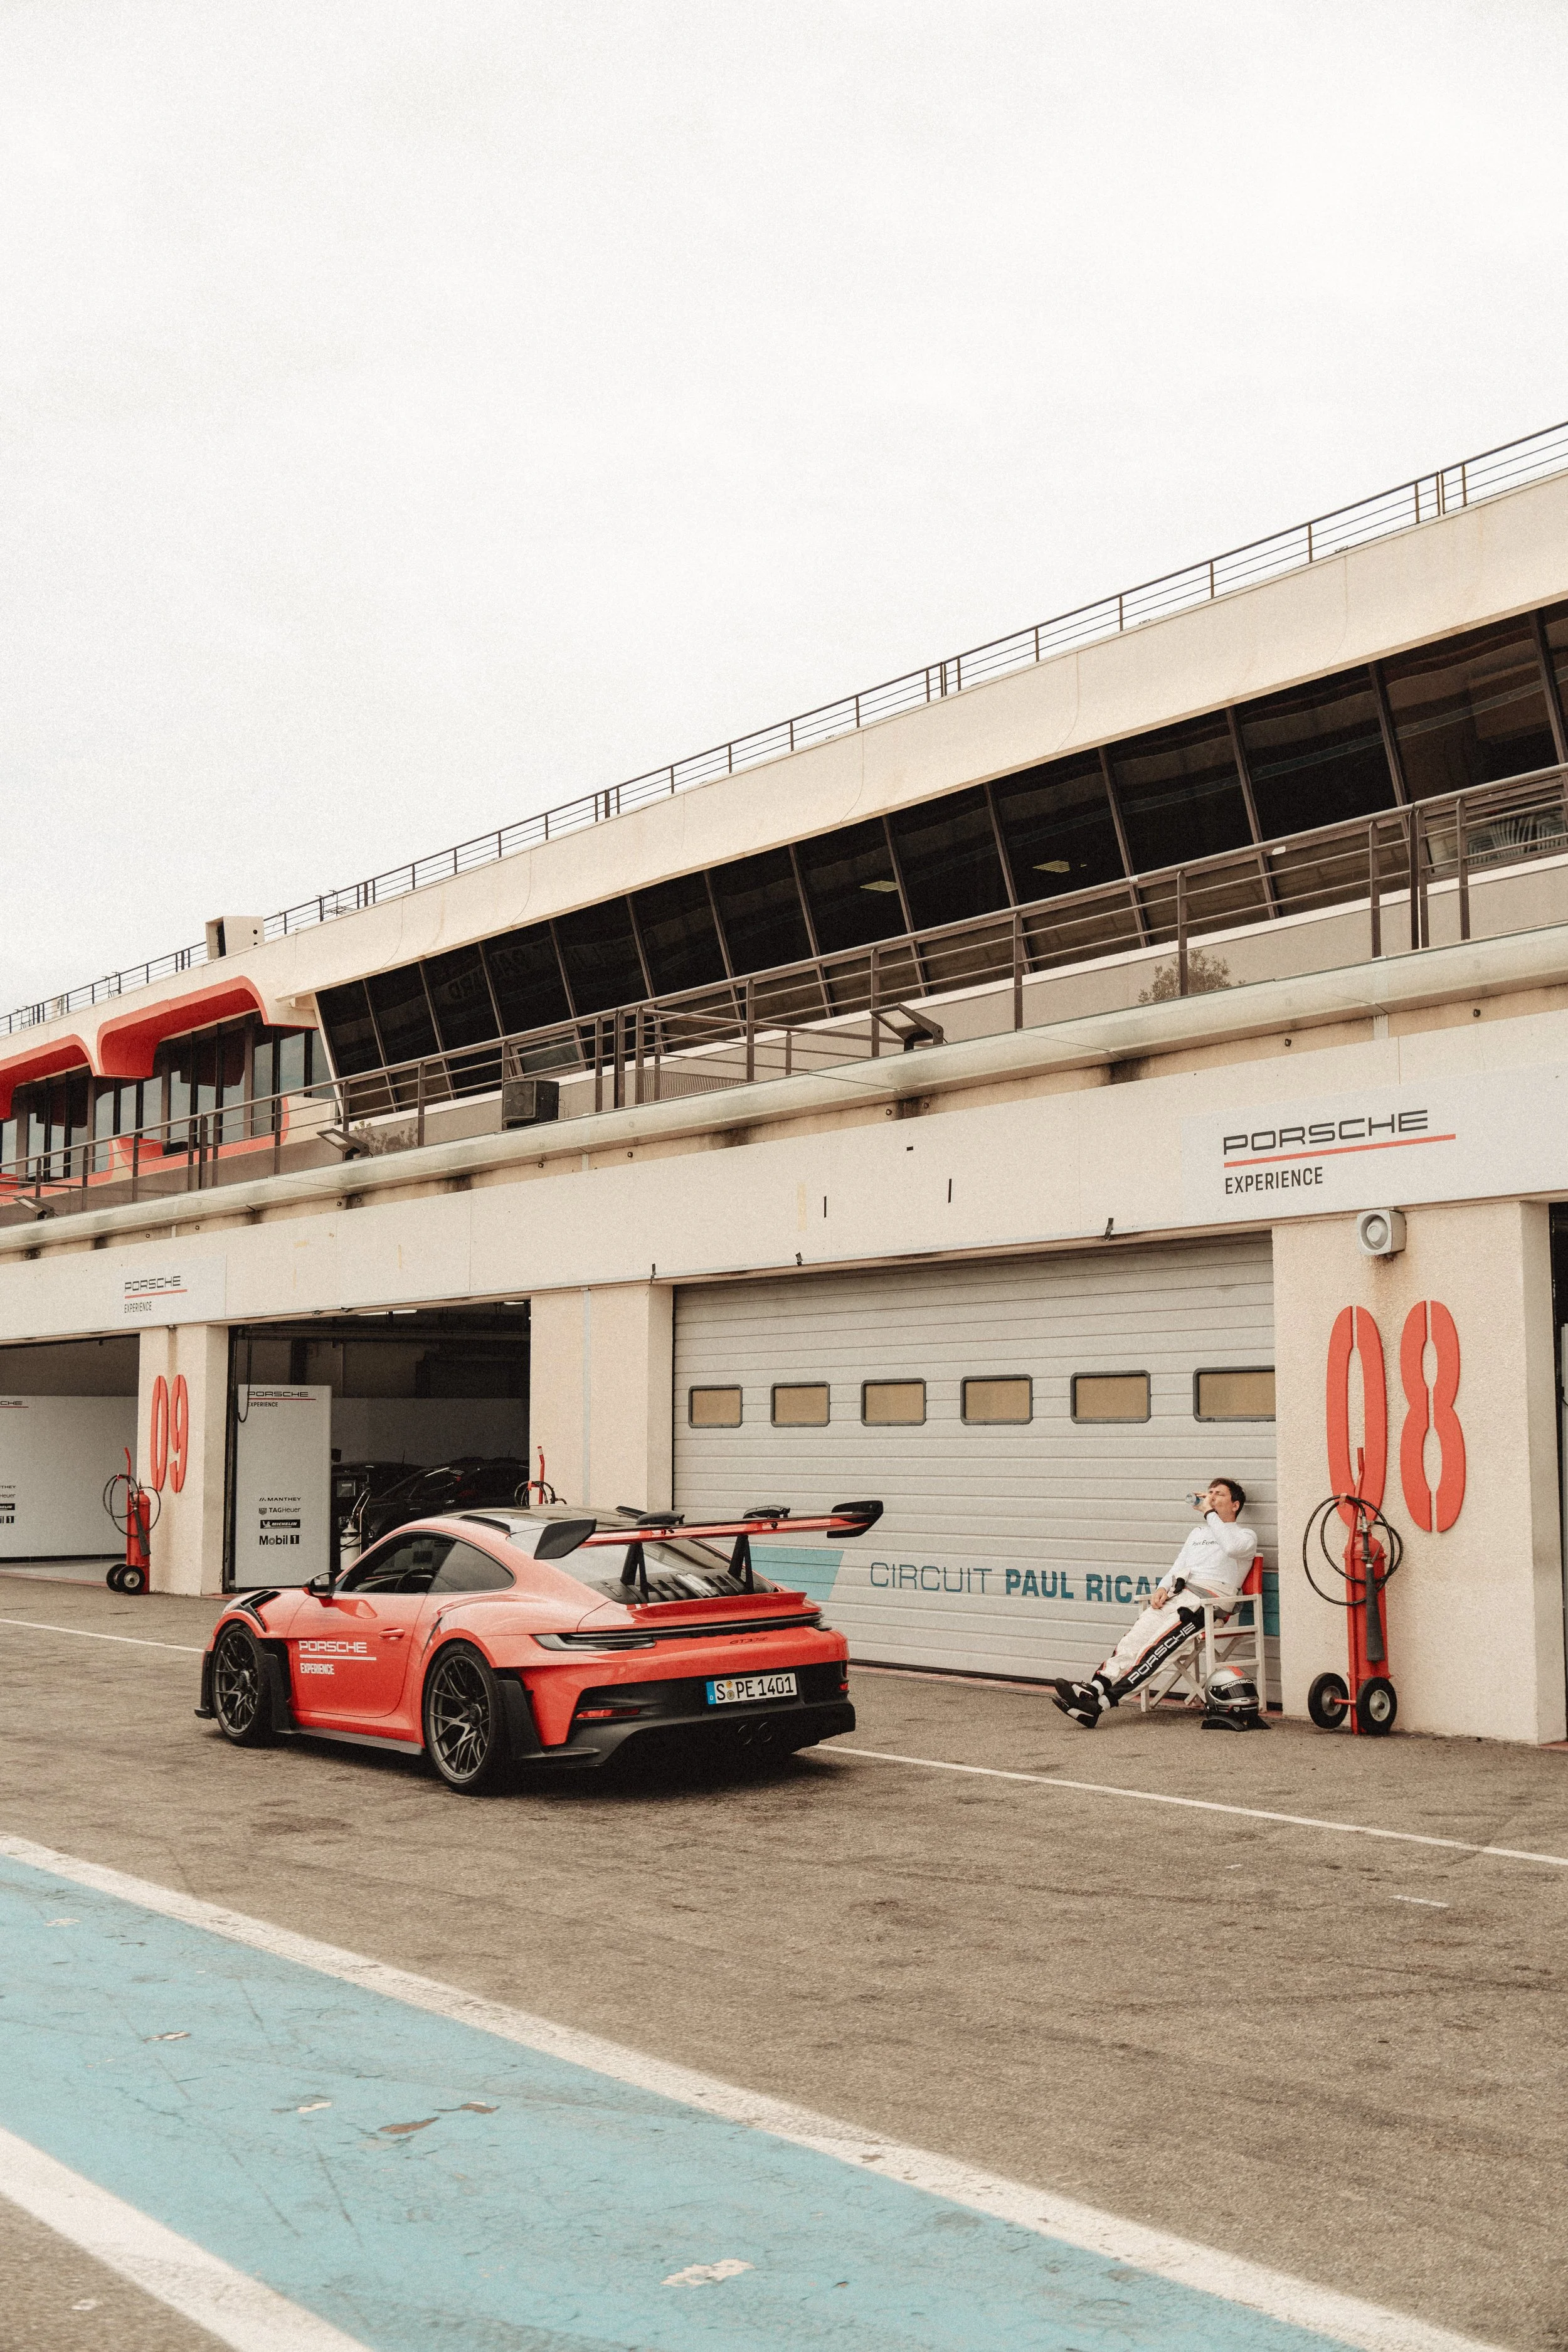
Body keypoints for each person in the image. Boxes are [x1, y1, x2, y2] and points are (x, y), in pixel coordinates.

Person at [1052, 1478, 1257, 1728]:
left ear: (1235, 1505)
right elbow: (1179, 1566)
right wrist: (1162, 1587)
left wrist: (1209, 1514)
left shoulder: (1245, 1536)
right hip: (1178, 1596)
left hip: (1205, 1605)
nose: (1211, 1497)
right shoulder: (1198, 1534)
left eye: (1219, 1494)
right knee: (1133, 1640)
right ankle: (1093, 1690)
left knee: (1154, 1651)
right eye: (1210, 1492)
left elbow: (1232, 1548)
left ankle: (1100, 1706)